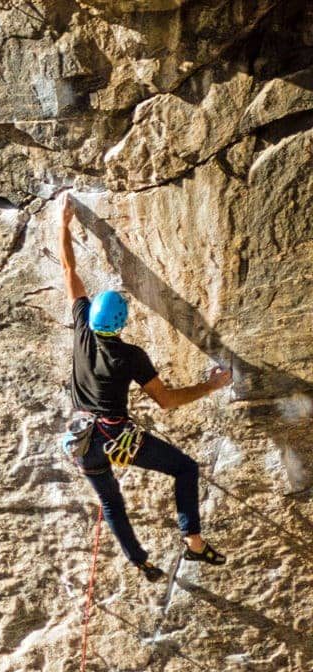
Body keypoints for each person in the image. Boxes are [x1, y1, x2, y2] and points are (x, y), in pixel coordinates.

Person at [58, 193, 232, 582]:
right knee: (185, 469)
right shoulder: (130, 355)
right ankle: (194, 543)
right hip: (115, 436)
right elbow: (167, 401)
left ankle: (139, 560)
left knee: (110, 501)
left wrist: (64, 225)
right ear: (120, 325)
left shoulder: (82, 329)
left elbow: (70, 270)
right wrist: (212, 385)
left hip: (81, 440)